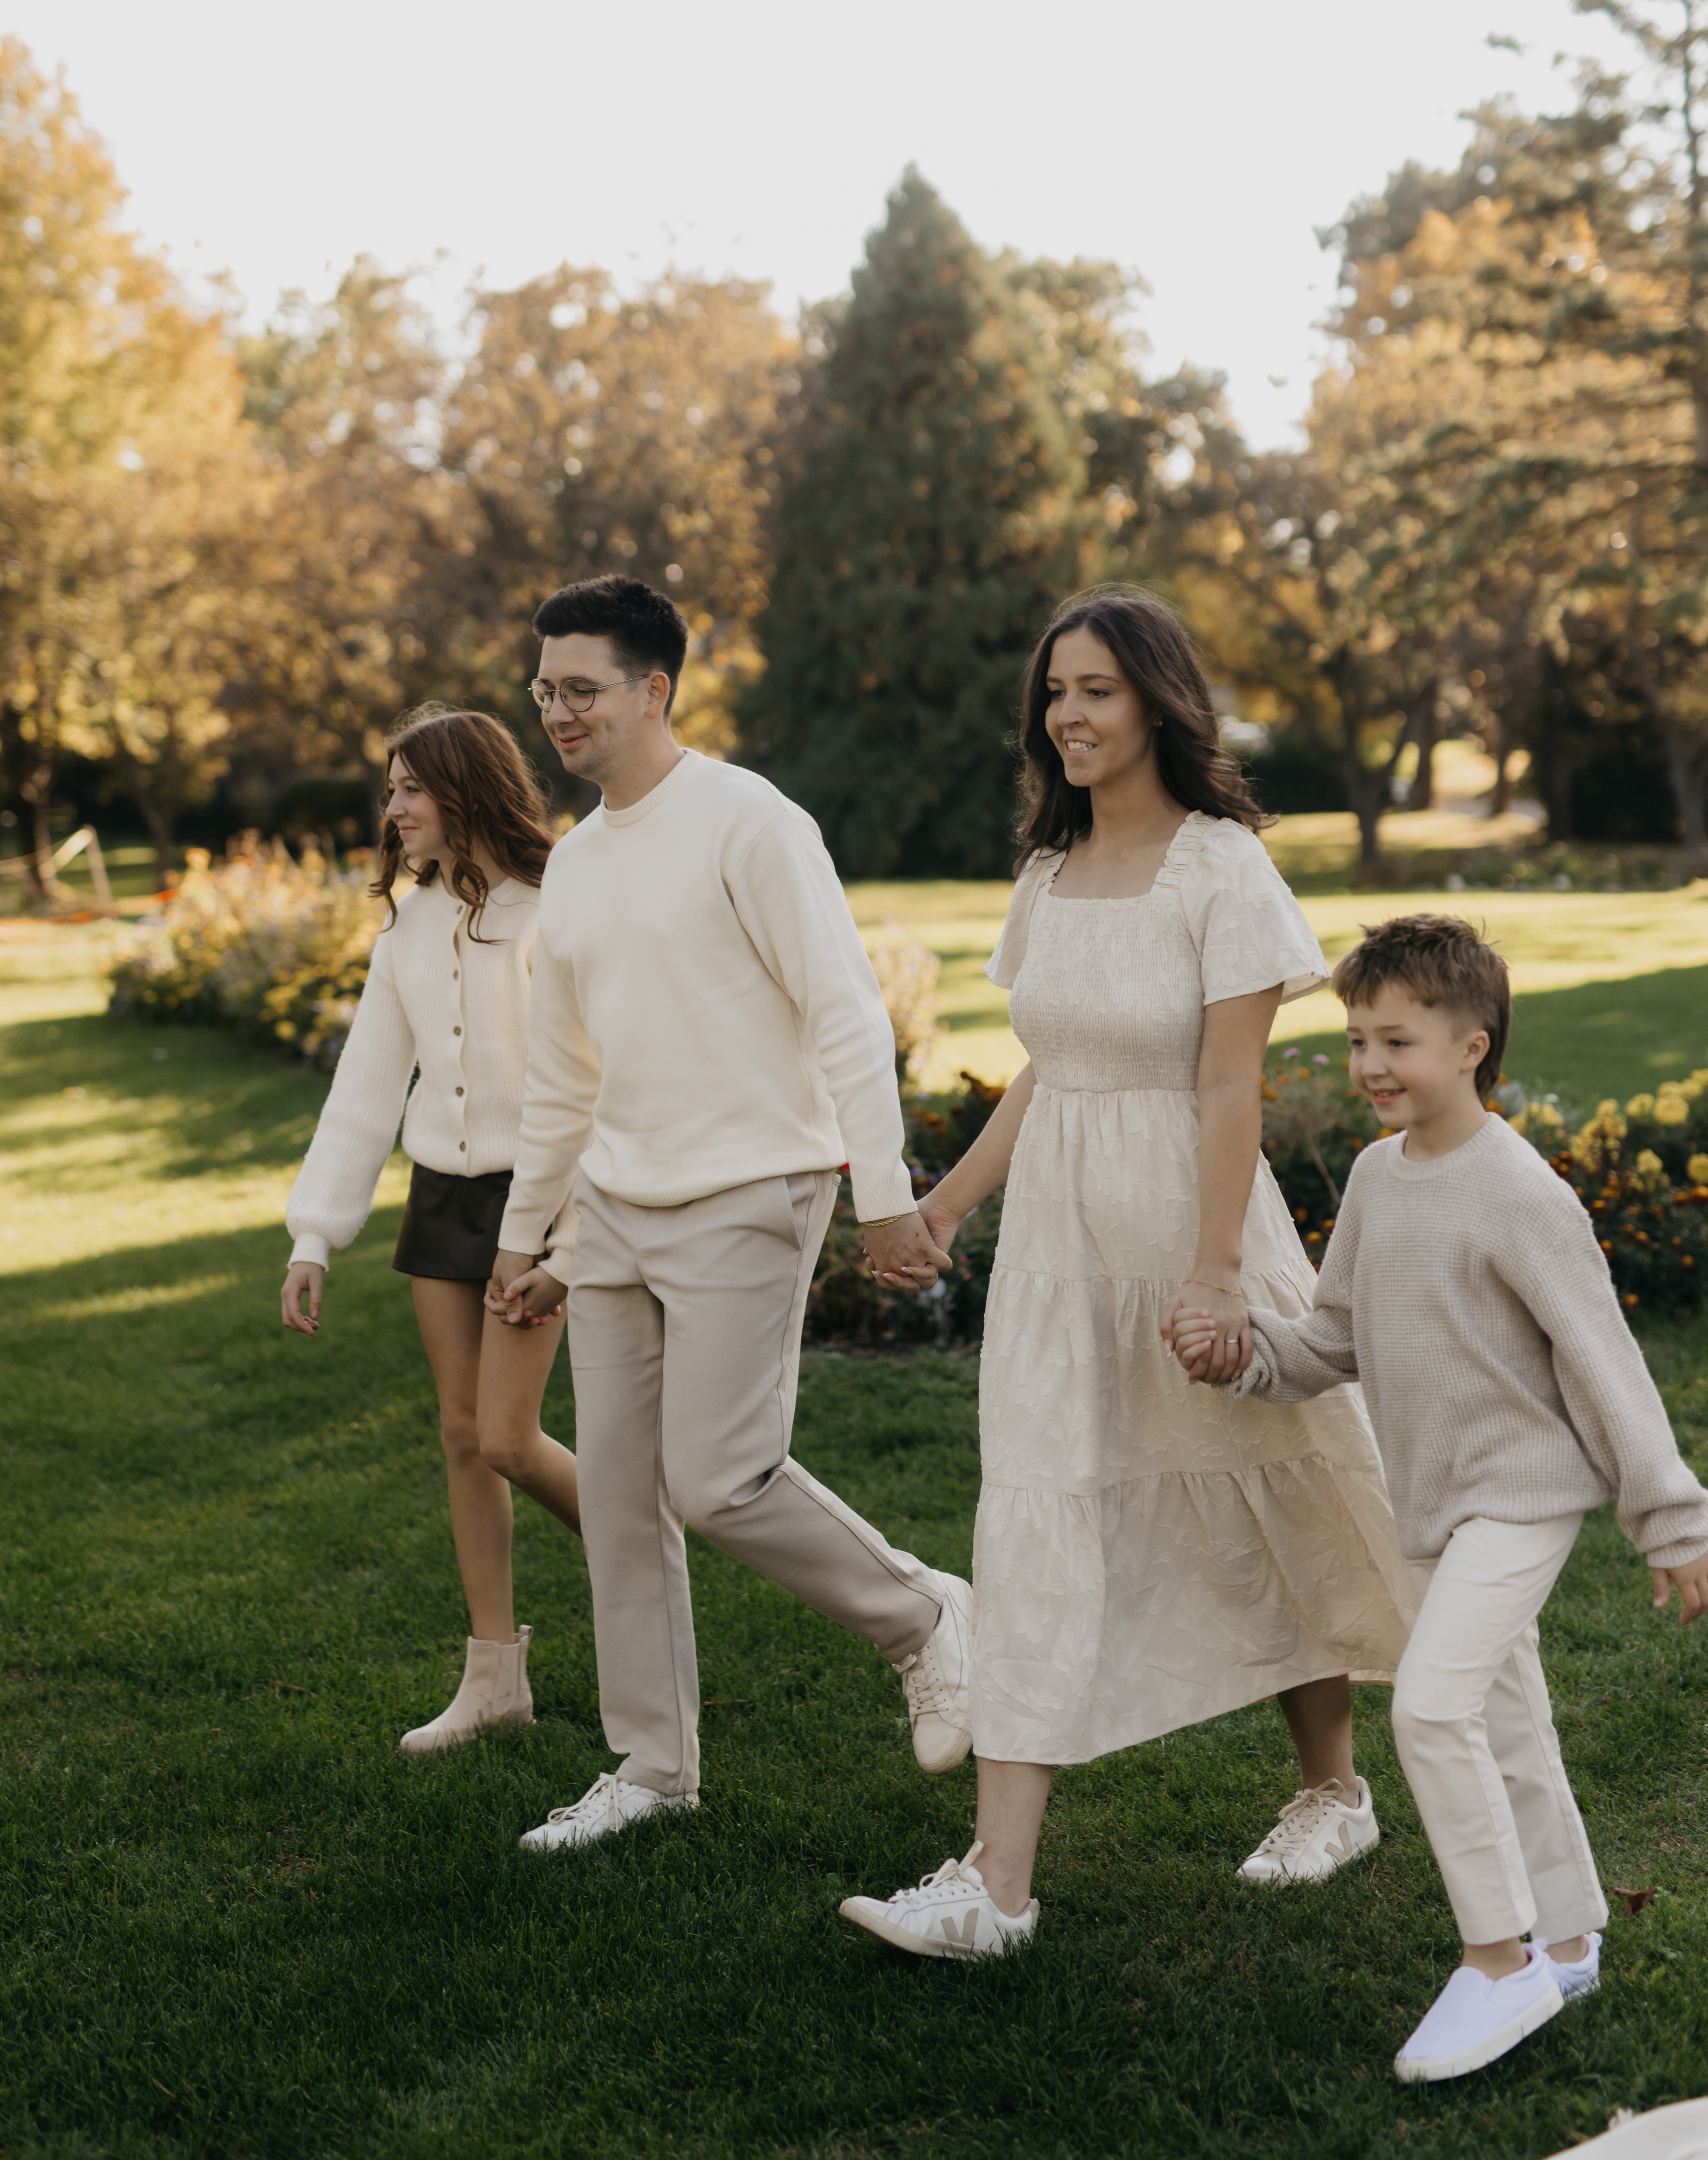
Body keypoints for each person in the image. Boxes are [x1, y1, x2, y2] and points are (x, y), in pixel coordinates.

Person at [838, 587, 1414, 1963]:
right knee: (1035, 1507)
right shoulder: (1047, 871)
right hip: (1055, 1243)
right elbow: (1052, 1064)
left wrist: (1216, 1276)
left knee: (1276, 1491)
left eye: (1093, 688)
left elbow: (1228, 1087)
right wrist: (946, 1201)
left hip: (1189, 1223)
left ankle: (1334, 1787)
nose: (1067, 715)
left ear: (1156, 698)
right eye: (1052, 692)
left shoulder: (1220, 867)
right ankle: (997, 1883)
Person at [1168, 913, 1708, 2085]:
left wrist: (1673, 1521)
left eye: (1398, 1041)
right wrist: (1249, 1352)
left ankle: (1499, 1958)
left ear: (1473, 1045)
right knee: (1506, 1715)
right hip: (1436, 1502)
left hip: (1520, 1498)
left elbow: (1606, 1365)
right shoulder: (1376, 1174)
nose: (1369, 1064)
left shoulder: (1522, 1194)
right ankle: (1570, 1938)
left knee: (1429, 1708)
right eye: (1358, 1038)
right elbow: (1337, 1338)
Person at [484, 573, 973, 1854]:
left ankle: (925, 1617)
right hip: (617, 1208)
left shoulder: (749, 821)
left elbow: (843, 1012)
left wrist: (882, 1196)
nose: (559, 712)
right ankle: (650, 1765)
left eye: (581, 688)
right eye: (544, 690)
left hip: (757, 1184)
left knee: (719, 1476)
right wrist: (526, 1238)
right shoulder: (578, 863)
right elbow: (564, 1077)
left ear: (655, 688)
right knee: (623, 1498)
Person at [281, 706, 580, 1754]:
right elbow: (366, 1088)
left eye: (411, 787)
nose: (393, 808)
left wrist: (556, 1231)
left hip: (534, 1202)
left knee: (509, 1435)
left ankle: (646, 1552)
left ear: (466, 790)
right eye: (390, 791)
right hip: (441, 1200)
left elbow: (585, 1087)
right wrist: (315, 1235)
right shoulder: (406, 927)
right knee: (464, 1438)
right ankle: (495, 1676)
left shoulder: (555, 911)